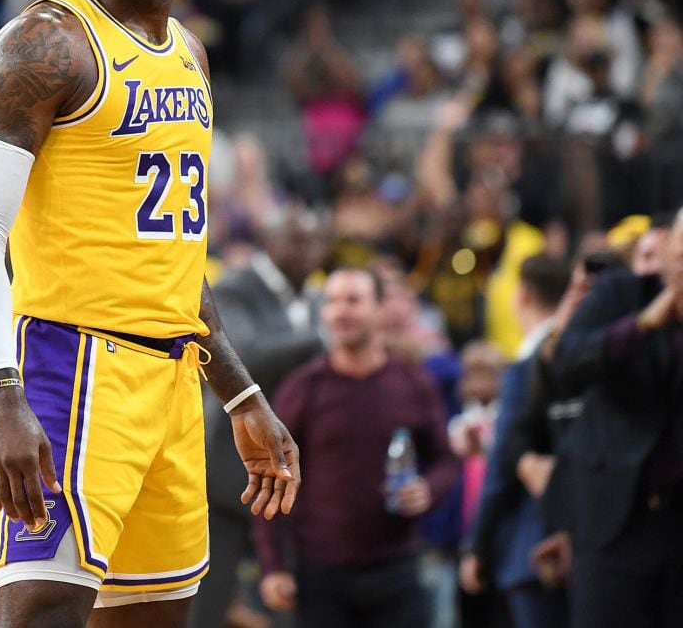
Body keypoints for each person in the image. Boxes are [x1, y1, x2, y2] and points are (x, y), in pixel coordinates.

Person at [0, 0, 300, 627]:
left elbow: (172, 263)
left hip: (171, 383)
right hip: (68, 369)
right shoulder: (42, 44)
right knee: (40, 613)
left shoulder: (191, 58)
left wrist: (239, 392)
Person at [252, 268, 459, 628]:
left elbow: (445, 460)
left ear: (380, 309)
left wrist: (428, 489)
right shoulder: (303, 388)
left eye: (354, 300)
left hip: (398, 569)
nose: (341, 311)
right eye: (332, 302)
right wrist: (273, 567)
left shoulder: (413, 383)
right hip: (320, 577)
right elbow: (272, 477)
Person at [550, 206, 683, 628]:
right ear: (664, 253)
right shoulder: (617, 294)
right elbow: (566, 363)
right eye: (682, 257)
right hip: (613, 522)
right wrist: (641, 325)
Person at [192, 205, 326, 627]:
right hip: (231, 473)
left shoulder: (318, 298)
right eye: (296, 239)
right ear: (268, 242)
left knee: (288, 601)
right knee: (207, 604)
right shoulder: (234, 289)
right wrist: (324, 338)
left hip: (296, 473)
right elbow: (243, 357)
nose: (308, 250)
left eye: (314, 239)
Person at [460, 255, 572, 628]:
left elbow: (505, 463)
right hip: (581, 541)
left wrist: (477, 545)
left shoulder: (527, 366)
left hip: (532, 548)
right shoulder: (580, 353)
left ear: (520, 296)